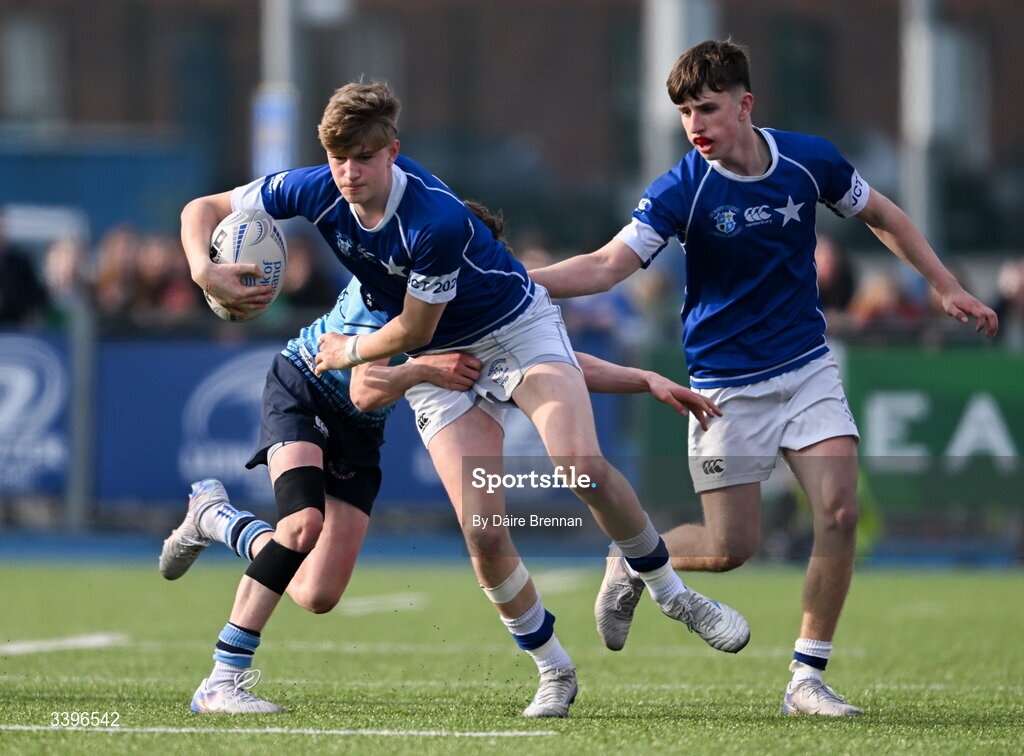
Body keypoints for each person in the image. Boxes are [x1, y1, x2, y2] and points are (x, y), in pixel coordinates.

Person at [178, 80, 744, 718]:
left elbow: (415, 331)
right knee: (483, 533)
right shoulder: (315, 187)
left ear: (393, 151)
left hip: (513, 333)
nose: (348, 172)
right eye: (337, 156)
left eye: (363, 157)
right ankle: (554, 670)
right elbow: (203, 207)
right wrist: (202, 268)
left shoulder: (434, 220)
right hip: (431, 363)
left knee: (580, 465)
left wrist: (350, 353)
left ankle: (671, 593)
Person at [528, 38, 999, 717]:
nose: (696, 125)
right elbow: (606, 266)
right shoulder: (681, 188)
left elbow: (883, 215)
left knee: (839, 512)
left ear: (745, 105)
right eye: (685, 112)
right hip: (725, 386)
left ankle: (806, 678)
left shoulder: (809, 160)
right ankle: (633, 557)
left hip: (807, 368)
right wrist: (519, 282)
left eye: (708, 109)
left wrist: (946, 286)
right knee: (728, 550)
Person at [162, 275, 723, 716]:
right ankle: (221, 679)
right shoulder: (396, 291)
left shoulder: (477, 294)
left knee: (315, 593)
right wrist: (425, 367)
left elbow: (557, 361)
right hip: (304, 389)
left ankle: (217, 519)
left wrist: (644, 378)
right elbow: (363, 386)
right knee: (302, 527)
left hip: (362, 431)